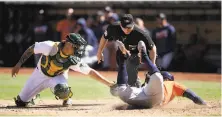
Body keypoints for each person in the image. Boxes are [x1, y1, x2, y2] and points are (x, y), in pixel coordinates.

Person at [12, 33, 114, 107]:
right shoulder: (50, 46)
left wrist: (110, 84)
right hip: (40, 74)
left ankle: (66, 98)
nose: (79, 50)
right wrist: (18, 64)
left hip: (57, 77)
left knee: (62, 90)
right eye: (77, 47)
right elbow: (32, 49)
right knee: (20, 102)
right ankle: (33, 97)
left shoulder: (73, 60)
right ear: (69, 44)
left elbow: (90, 72)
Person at [110, 41, 207, 108]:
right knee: (123, 89)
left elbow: (192, 95)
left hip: (141, 98)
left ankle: (124, 60)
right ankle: (139, 57)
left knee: (121, 89)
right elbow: (193, 96)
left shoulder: (167, 83)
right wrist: (204, 104)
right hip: (148, 99)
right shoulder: (169, 85)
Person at [97, 14, 157, 87]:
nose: (127, 30)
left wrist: (152, 66)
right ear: (120, 25)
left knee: (132, 77)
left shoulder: (140, 32)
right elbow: (104, 37)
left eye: (129, 27)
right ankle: (131, 80)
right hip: (122, 51)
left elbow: (152, 47)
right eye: (124, 27)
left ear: (133, 24)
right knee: (124, 70)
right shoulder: (113, 27)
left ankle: (135, 81)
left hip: (136, 52)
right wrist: (99, 51)